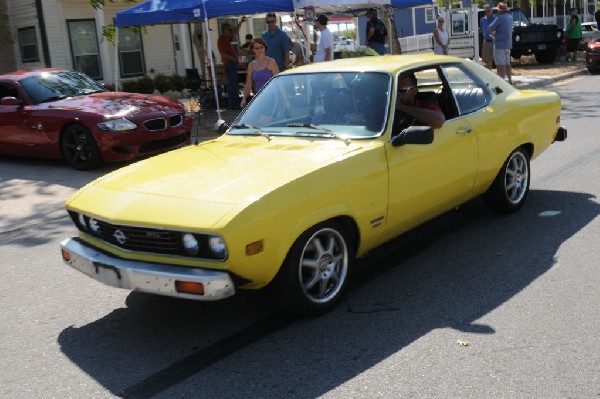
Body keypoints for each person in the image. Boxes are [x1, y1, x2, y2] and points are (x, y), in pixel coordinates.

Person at [240, 38, 280, 108]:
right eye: (257, 48)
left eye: (261, 47)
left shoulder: (271, 62)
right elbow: (248, 84)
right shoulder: (251, 65)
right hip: (258, 97)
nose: (259, 50)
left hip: (271, 96)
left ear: (265, 48)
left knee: (266, 118)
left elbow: (278, 82)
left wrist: (285, 99)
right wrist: (244, 98)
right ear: (253, 50)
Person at [218, 18, 246, 109]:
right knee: (231, 84)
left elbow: (236, 32)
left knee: (233, 84)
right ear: (224, 31)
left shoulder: (227, 38)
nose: (231, 31)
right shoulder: (222, 39)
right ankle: (233, 104)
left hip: (232, 63)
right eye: (229, 29)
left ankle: (235, 103)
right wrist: (233, 59)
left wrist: (241, 22)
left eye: (231, 29)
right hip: (230, 63)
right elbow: (223, 54)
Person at [488, 2, 513, 85]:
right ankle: (510, 79)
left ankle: (502, 81)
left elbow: (490, 28)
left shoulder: (499, 18)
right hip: (508, 44)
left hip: (499, 44)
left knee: (500, 64)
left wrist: (493, 33)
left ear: (500, 11)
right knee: (507, 63)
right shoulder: (509, 18)